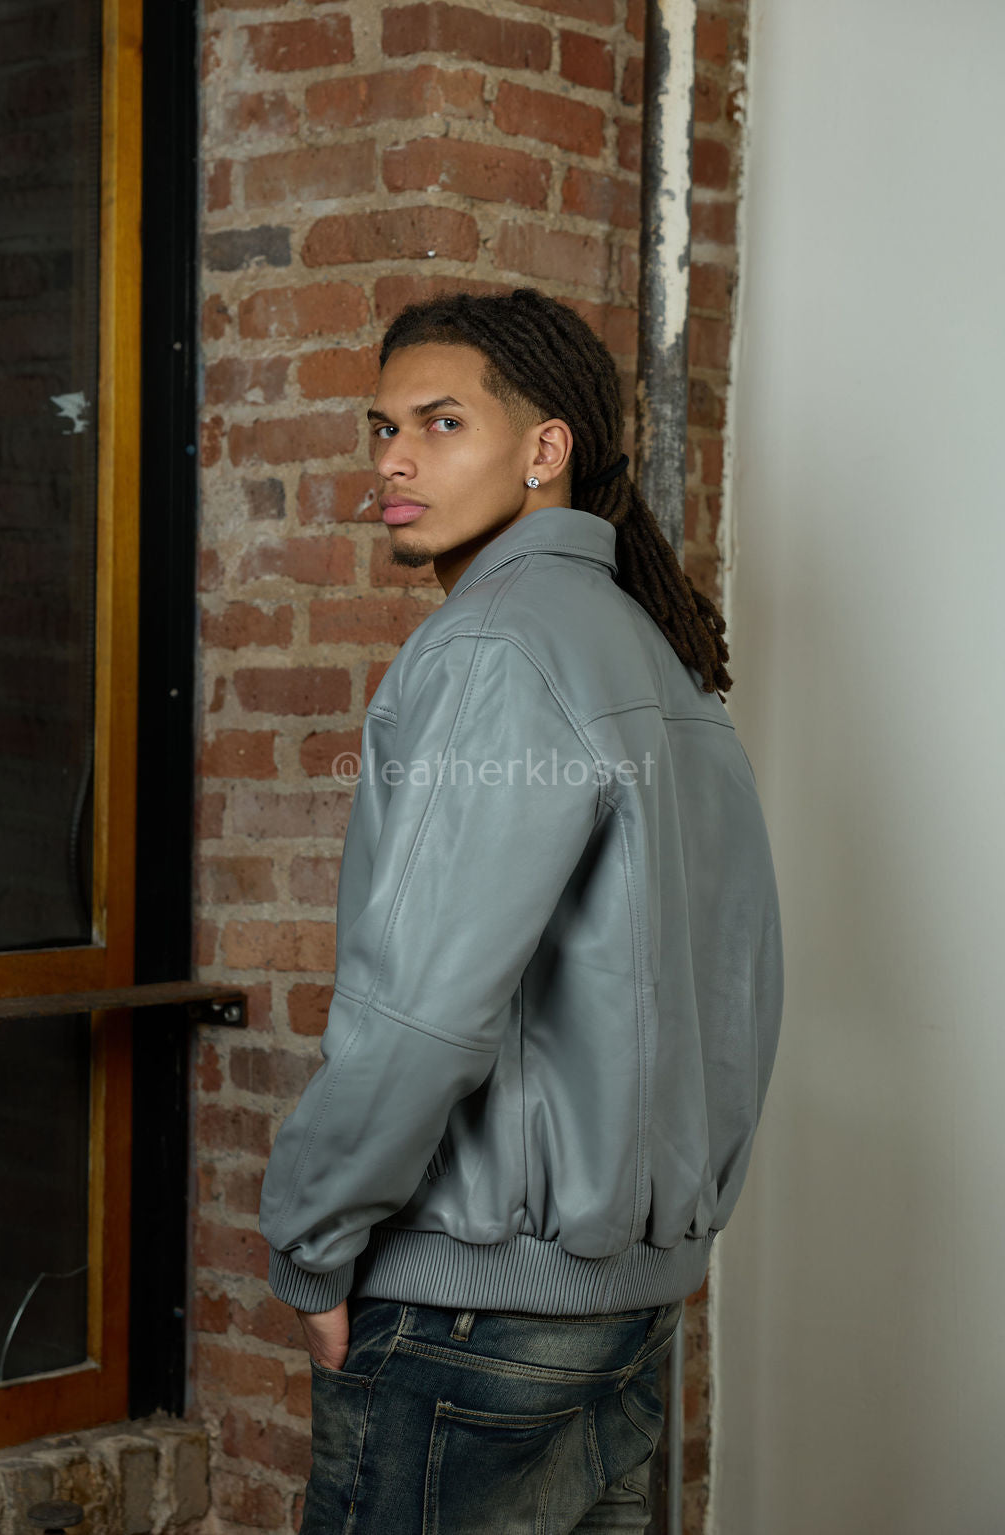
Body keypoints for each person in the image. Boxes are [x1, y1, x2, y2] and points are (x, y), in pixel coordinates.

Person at [259, 288, 783, 1533]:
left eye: (440, 423)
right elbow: (740, 986)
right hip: (624, 1304)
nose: (393, 458)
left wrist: (312, 1238)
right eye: (382, 426)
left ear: (546, 448)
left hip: (476, 1315)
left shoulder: (494, 644)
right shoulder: (649, 648)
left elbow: (423, 1006)